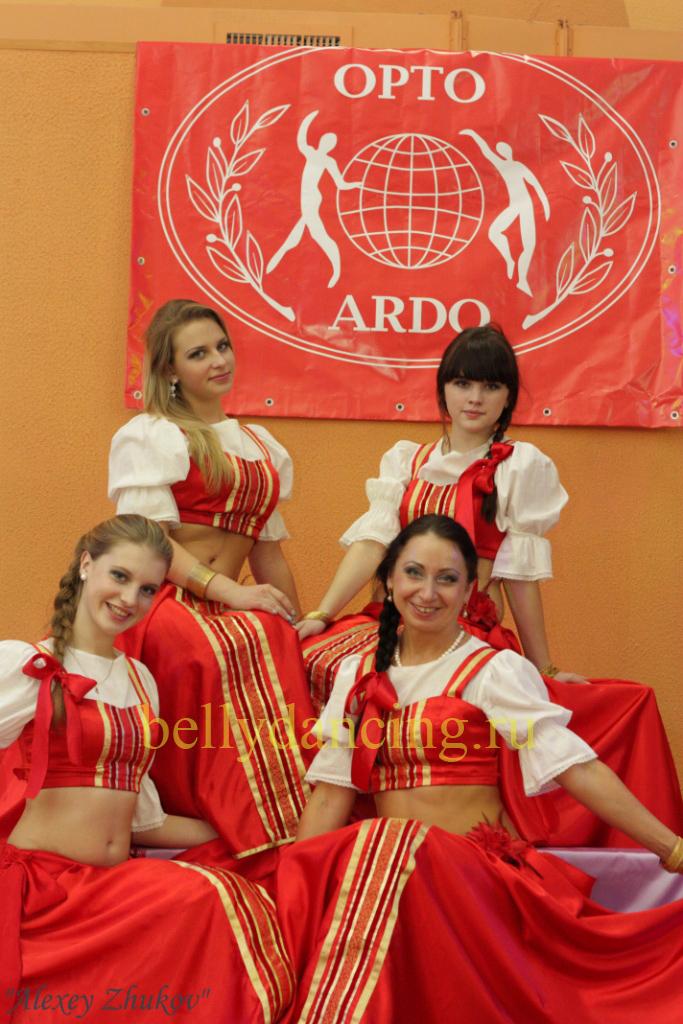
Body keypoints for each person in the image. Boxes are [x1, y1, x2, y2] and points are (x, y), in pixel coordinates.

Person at [274, 516, 683, 1024]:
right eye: (414, 573)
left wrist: (673, 849)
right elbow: (330, 796)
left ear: (470, 590)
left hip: (473, 880)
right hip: (395, 882)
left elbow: (577, 769)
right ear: (389, 580)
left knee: (390, 842)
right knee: (371, 854)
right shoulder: (357, 673)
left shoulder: (492, 670)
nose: (428, 592)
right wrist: (294, 885)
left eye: (446, 579)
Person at [296, 325, 683, 846]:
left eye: (491, 386)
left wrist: (544, 665)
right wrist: (321, 613)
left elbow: (519, 577)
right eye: (462, 383)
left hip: (465, 630)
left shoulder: (519, 466)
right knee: (308, 663)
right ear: (442, 390)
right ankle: (315, 828)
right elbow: (371, 545)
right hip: (390, 626)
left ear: (508, 397)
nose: (474, 398)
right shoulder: (405, 460)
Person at [0, 516, 294, 1024]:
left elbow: (143, 819)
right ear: (86, 565)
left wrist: (250, 836)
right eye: (119, 576)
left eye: (147, 589)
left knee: (244, 884)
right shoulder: (28, 664)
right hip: (47, 893)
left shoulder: (139, 680)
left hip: (110, 887)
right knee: (208, 898)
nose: (129, 599)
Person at [108, 299, 314, 858]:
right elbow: (150, 545)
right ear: (170, 369)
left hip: (231, 602)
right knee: (208, 645)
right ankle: (218, 817)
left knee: (277, 636)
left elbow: (268, 554)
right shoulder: (154, 434)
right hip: (164, 600)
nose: (219, 360)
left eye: (222, 346)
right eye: (198, 354)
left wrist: (294, 619)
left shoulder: (262, 446)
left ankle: (291, 819)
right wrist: (231, 592)